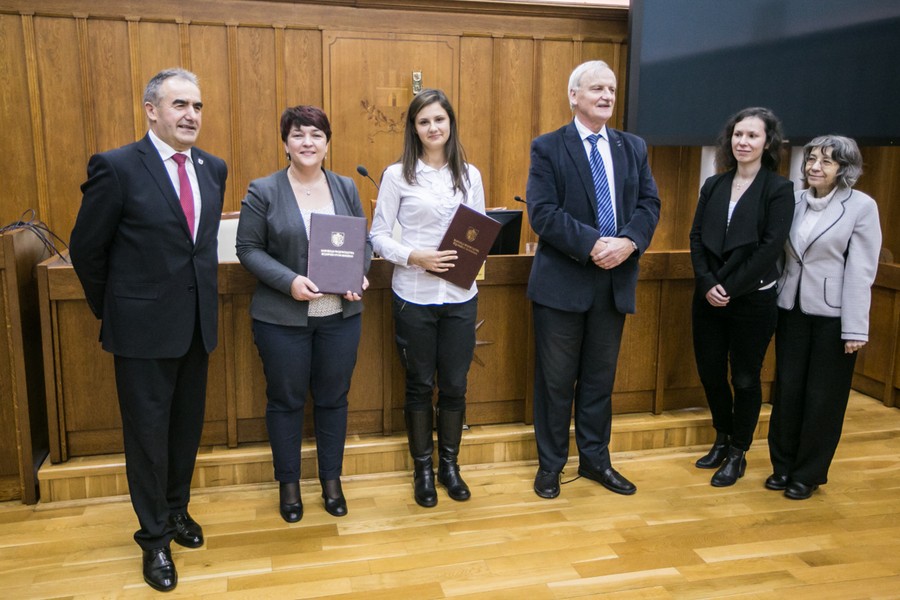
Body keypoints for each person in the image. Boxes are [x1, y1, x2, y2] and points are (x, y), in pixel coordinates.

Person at [69, 68, 228, 592]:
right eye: (179, 104)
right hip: (140, 333)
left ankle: (177, 511)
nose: (191, 115)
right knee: (146, 440)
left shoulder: (213, 167)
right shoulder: (116, 167)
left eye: (198, 106)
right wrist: (116, 310)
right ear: (151, 110)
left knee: (184, 433)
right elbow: (88, 251)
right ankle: (154, 539)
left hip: (196, 327)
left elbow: (196, 250)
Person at [526, 60, 660, 500]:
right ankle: (551, 466)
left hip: (613, 283)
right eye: (597, 88)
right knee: (555, 383)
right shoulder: (548, 147)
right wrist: (594, 244)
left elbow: (648, 204)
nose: (606, 96)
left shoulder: (632, 146)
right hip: (563, 285)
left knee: (600, 382)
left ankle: (595, 460)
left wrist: (628, 243)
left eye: (612, 89)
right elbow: (542, 213)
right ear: (574, 96)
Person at [236, 105, 372, 522]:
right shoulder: (264, 190)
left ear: (327, 143)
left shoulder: (346, 186)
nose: (307, 142)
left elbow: (362, 242)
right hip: (283, 319)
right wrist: (289, 281)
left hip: (339, 315)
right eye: (298, 135)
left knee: (334, 399)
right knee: (286, 401)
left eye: (316, 134)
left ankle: (332, 480)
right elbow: (248, 250)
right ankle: (289, 485)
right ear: (285, 143)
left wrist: (359, 274)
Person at [370, 88, 485, 508]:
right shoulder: (397, 174)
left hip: (459, 296)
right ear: (414, 129)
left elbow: (478, 230)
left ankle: (449, 466)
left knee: (455, 385)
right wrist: (413, 255)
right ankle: (421, 468)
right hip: (413, 294)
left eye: (439, 119)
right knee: (419, 385)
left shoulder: (470, 174)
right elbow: (378, 234)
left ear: (450, 123)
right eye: (424, 121)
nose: (433, 127)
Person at [767, 135, 881, 500]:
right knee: (788, 391)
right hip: (791, 309)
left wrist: (855, 328)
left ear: (844, 170)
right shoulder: (794, 200)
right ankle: (782, 467)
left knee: (823, 398)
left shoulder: (862, 207)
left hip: (834, 316)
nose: (814, 167)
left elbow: (862, 270)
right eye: (811, 159)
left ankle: (808, 473)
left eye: (826, 162)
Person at [689, 107, 794, 487]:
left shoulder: (779, 189)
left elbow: (769, 249)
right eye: (737, 134)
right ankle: (721, 437)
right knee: (711, 372)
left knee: (746, 378)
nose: (743, 142)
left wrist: (729, 289)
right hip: (708, 296)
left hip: (751, 300)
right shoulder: (714, 185)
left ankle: (738, 452)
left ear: (768, 143)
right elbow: (696, 237)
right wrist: (707, 284)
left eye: (752, 135)